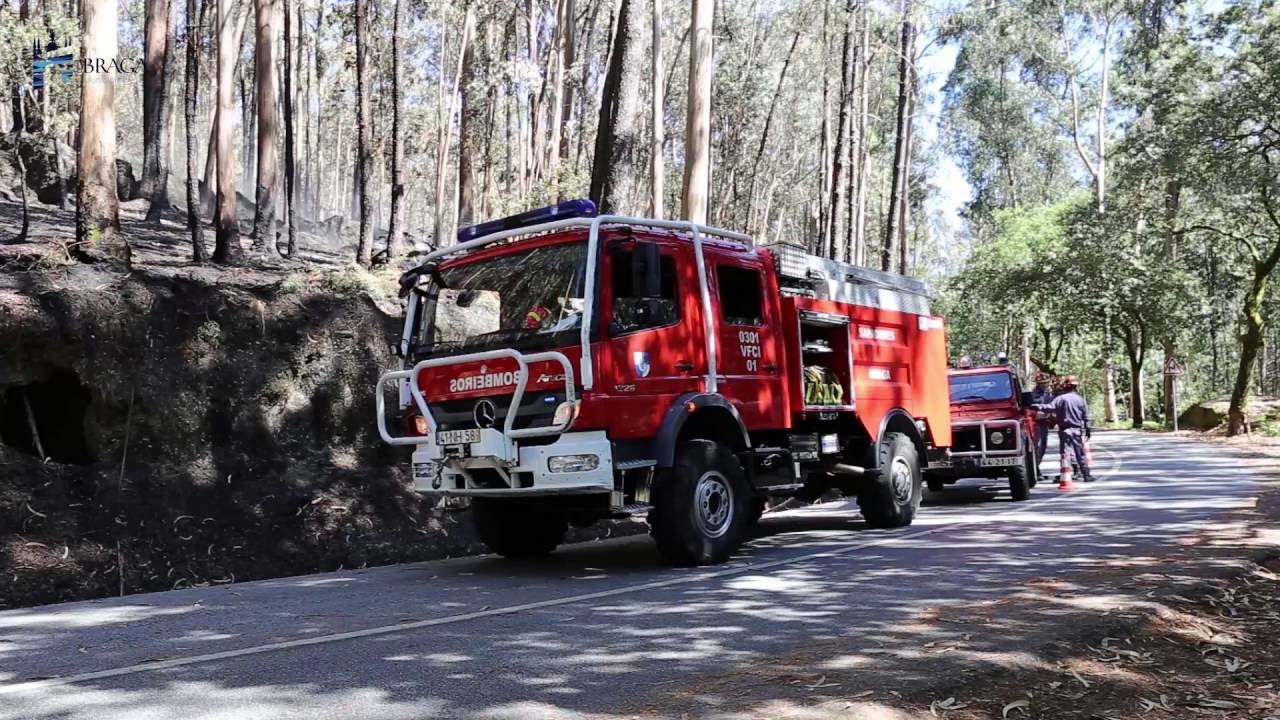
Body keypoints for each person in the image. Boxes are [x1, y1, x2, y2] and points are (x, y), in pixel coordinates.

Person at [1038, 375, 1093, 483]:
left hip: (1064, 430)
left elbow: (1049, 408)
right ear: (1075, 387)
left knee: (1065, 454)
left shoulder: (1060, 399)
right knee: (1080, 453)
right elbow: (1086, 416)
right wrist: (1088, 429)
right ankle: (1086, 475)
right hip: (1077, 430)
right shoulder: (1080, 399)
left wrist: (1035, 406)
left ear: (1064, 386)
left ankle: (1065, 474)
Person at [1029, 372, 1055, 464]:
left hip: (1045, 424)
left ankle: (1037, 465)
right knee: (1037, 446)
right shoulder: (1032, 395)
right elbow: (1029, 408)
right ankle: (1036, 468)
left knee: (1043, 446)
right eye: (1043, 383)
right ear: (1038, 384)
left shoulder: (1049, 394)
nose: (1045, 385)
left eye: (1046, 383)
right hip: (1036, 424)